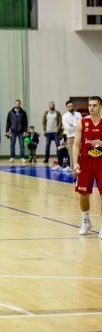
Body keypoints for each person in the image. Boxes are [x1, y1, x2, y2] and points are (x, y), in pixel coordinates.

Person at [73, 95, 102, 237]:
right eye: (90, 105)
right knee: (83, 194)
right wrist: (75, 162)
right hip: (85, 161)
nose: (91, 108)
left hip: (101, 162)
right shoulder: (81, 123)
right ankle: (85, 221)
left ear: (100, 107)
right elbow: (76, 144)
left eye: (94, 105)